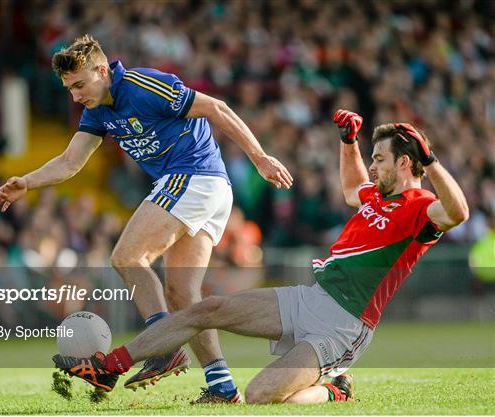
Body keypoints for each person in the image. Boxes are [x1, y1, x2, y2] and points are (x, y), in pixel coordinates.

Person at [53, 109, 469, 404]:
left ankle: (334, 388)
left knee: (261, 396)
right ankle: (111, 365)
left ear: (405, 162)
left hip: (344, 327)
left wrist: (431, 163)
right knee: (208, 308)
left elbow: (458, 213)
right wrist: (348, 144)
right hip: (310, 299)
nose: (373, 167)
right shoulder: (375, 195)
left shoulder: (421, 206)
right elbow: (349, 188)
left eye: (380, 159)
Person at [0, 34, 293, 403]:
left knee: (126, 256)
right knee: (182, 293)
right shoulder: (97, 111)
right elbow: (71, 162)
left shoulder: (141, 86)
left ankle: (163, 346)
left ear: (103, 71)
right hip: (202, 188)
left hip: (194, 176)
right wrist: (28, 181)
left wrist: (259, 158)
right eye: (70, 89)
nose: (75, 96)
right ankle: (222, 386)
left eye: (80, 85)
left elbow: (218, 108)